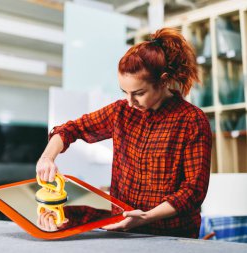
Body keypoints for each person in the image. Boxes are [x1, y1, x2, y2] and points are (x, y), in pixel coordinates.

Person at [36, 28, 212, 239]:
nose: (130, 101)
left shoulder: (192, 121)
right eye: (124, 92)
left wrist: (146, 217)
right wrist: (47, 157)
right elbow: (71, 129)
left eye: (139, 93)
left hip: (173, 237)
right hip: (123, 231)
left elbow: (193, 192)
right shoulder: (122, 112)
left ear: (163, 81)